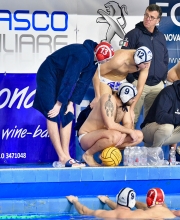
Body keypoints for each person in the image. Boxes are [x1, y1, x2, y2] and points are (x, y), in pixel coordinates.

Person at [33, 40, 113, 168]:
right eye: (106, 59)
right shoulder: (82, 55)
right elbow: (70, 79)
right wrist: (59, 103)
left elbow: (83, 83)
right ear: (100, 55)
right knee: (52, 113)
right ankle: (61, 157)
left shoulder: (93, 60)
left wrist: (71, 103)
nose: (106, 62)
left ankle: (67, 155)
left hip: (60, 77)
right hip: (48, 73)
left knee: (68, 114)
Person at [121, 4, 168, 126]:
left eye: (152, 17)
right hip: (137, 82)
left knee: (152, 120)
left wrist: (162, 78)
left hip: (157, 85)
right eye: (146, 15)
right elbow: (123, 58)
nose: (148, 19)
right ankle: (128, 145)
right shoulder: (133, 34)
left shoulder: (161, 37)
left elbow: (165, 58)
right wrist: (132, 79)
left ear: (158, 20)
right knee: (131, 117)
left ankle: (150, 145)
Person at [78, 83, 143, 167]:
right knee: (115, 135)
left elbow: (127, 123)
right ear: (125, 96)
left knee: (138, 136)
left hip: (106, 136)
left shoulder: (125, 106)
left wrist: (124, 133)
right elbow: (110, 125)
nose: (134, 100)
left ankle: (106, 154)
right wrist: (128, 131)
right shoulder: (108, 99)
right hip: (87, 137)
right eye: (132, 98)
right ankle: (88, 155)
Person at [90, 46, 153, 113]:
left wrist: (131, 109)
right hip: (105, 80)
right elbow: (96, 72)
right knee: (107, 111)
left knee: (125, 115)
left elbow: (140, 87)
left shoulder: (145, 60)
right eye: (146, 64)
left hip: (121, 81)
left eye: (149, 62)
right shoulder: (118, 59)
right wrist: (97, 96)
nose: (148, 66)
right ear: (137, 62)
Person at [66, 187, 149, 219]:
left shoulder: (102, 214)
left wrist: (74, 201)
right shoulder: (140, 215)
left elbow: (84, 211)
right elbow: (147, 208)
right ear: (132, 202)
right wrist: (107, 201)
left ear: (117, 199)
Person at [98, 188, 176, 219]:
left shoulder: (146, 214)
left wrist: (107, 201)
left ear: (148, 199)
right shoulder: (170, 212)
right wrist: (132, 202)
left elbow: (122, 212)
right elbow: (146, 207)